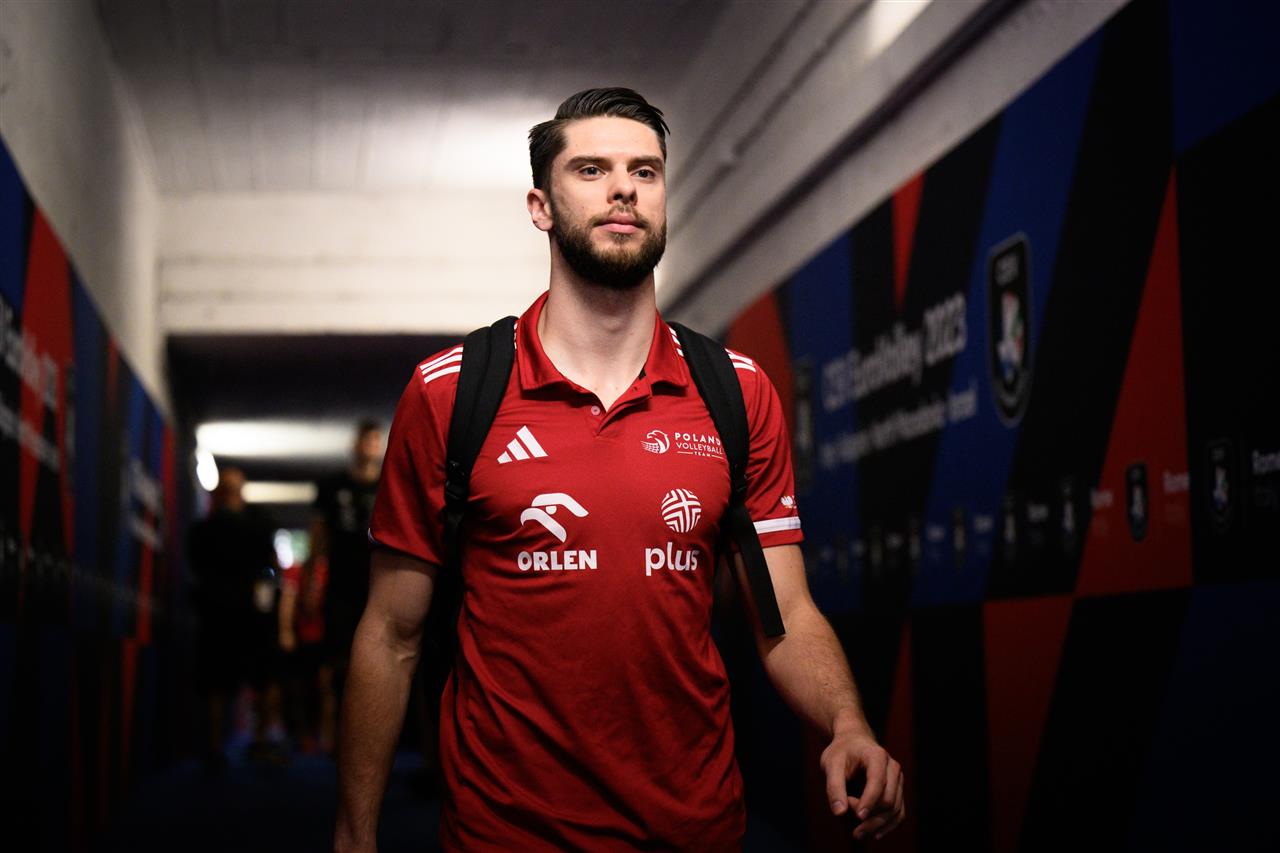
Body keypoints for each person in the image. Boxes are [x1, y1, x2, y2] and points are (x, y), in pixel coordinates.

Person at [335, 88, 905, 850]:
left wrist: (848, 721)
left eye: (645, 171)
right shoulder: (451, 392)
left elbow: (787, 618)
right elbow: (390, 633)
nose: (624, 189)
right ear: (540, 207)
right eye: (591, 169)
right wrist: (354, 832)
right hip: (506, 833)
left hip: (695, 829)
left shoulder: (737, 393)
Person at [188, 466, 286, 769]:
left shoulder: (247, 526)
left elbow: (271, 567)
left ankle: (246, 744)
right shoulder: (211, 530)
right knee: (225, 682)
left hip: (239, 616)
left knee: (256, 679)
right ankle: (231, 746)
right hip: (226, 615)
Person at [308, 420, 385, 751]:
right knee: (335, 658)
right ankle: (330, 728)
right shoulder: (332, 486)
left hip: (377, 584)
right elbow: (318, 538)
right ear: (355, 445)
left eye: (375, 441)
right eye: (365, 441)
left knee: (373, 657)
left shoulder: (388, 483)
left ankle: (366, 731)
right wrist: (310, 583)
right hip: (340, 583)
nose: (370, 447)